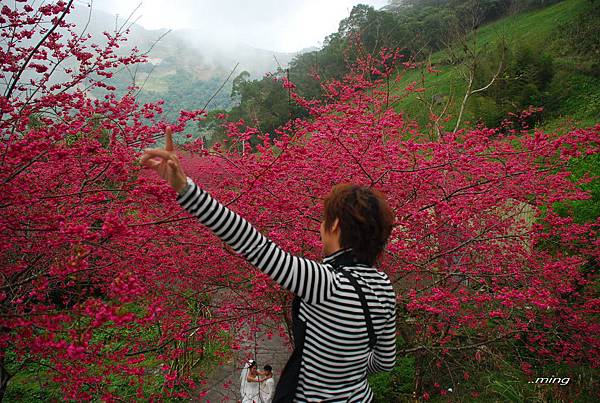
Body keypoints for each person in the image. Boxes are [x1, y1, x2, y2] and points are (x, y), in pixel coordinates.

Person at [141, 128, 397, 402]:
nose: (321, 226)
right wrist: (346, 371)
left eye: (324, 219)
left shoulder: (325, 283)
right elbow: (385, 362)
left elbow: (252, 243)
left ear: (334, 225)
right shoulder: (383, 286)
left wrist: (185, 188)